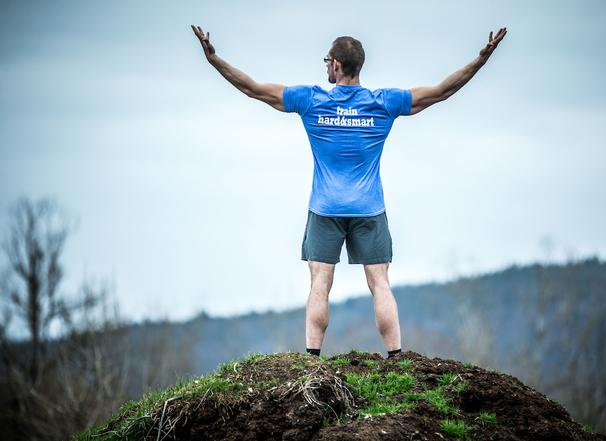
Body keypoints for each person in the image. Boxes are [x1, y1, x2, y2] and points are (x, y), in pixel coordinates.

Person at [191, 25, 507, 359]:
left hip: (325, 208)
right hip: (369, 208)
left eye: (327, 60)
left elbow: (253, 88)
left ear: (338, 66)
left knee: (320, 283)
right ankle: (396, 356)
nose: (325, 65)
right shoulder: (383, 103)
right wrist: (481, 59)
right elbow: (442, 91)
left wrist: (215, 61)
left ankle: (312, 358)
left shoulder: (311, 100)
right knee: (380, 283)